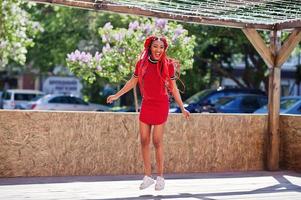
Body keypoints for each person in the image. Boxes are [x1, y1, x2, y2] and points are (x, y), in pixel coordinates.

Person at [107, 35, 190, 191]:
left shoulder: (168, 65)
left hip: (160, 105)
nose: (158, 50)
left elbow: (173, 87)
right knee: (144, 140)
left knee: (157, 141)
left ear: (164, 49)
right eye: (155, 46)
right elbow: (132, 82)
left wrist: (182, 107)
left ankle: (160, 177)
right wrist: (117, 95)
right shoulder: (142, 64)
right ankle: (147, 176)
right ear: (150, 48)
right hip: (147, 104)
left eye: (161, 47)